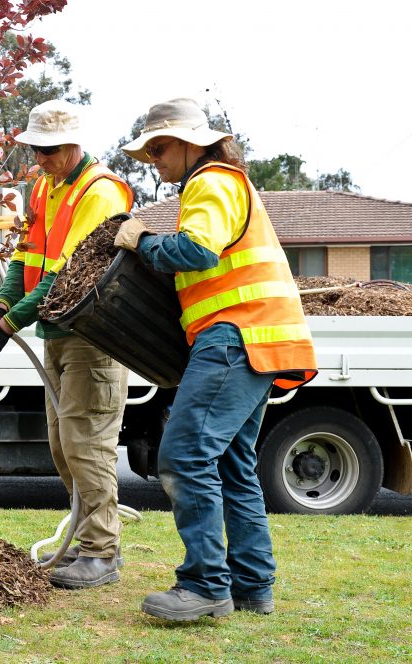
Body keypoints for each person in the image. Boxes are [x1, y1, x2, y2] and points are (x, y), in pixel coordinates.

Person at [116, 98, 317, 620]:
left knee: (183, 456)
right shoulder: (226, 184)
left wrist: (143, 241)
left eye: (160, 148)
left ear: (190, 143)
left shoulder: (211, 182)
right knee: (232, 467)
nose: (153, 160)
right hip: (259, 339)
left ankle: (205, 585)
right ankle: (252, 585)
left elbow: (196, 251)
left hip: (234, 336)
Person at [0, 99, 134, 589]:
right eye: (35, 149)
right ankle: (89, 546)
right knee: (64, 447)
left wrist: (9, 326)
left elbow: (68, 274)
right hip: (58, 334)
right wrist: (1, 307)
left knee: (86, 446)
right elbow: (27, 254)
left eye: (47, 150)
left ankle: (102, 552)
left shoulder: (100, 192)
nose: (38, 159)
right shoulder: (46, 186)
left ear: (72, 145)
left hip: (93, 336)